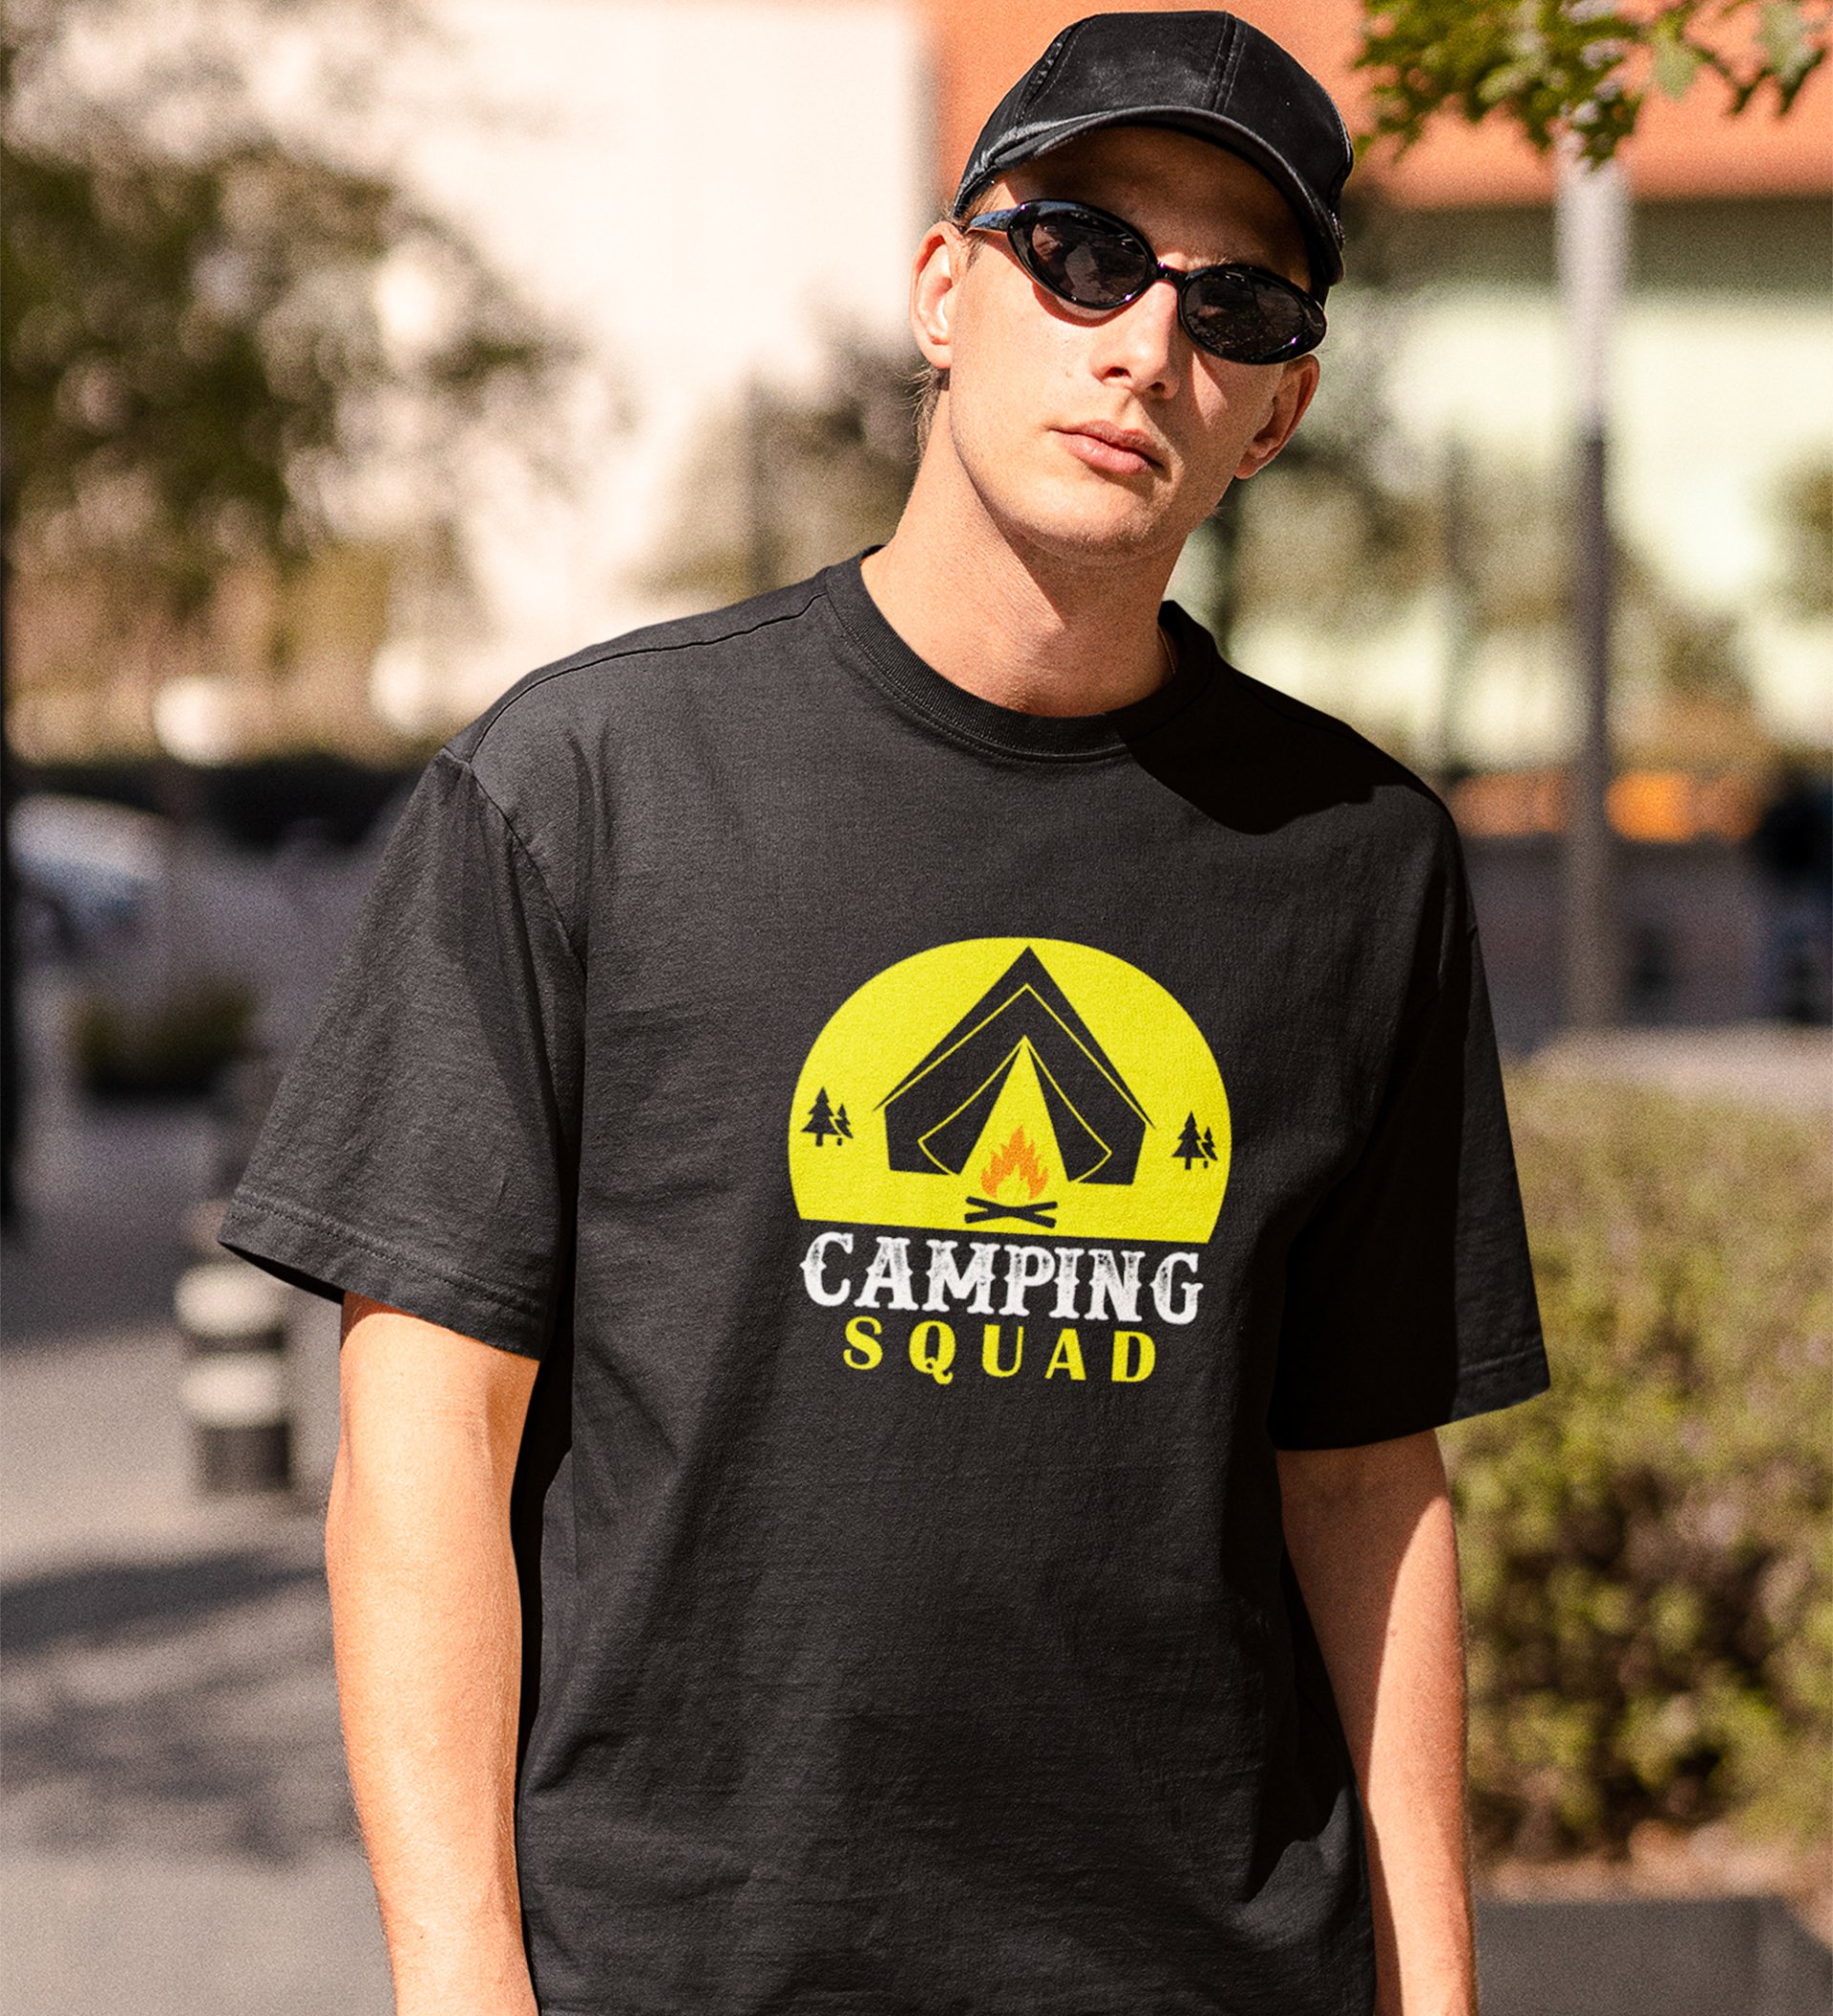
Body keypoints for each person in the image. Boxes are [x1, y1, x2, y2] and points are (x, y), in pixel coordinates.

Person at [220, 12, 1549, 2014]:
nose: (1146, 346)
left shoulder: (1358, 862)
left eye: (1237, 306)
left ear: (1278, 410)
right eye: (1085, 254)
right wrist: (460, 1973)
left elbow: (1366, 1479)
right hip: (688, 1966)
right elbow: (424, 1431)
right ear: (945, 290)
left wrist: (1436, 1988)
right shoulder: (589, 788)